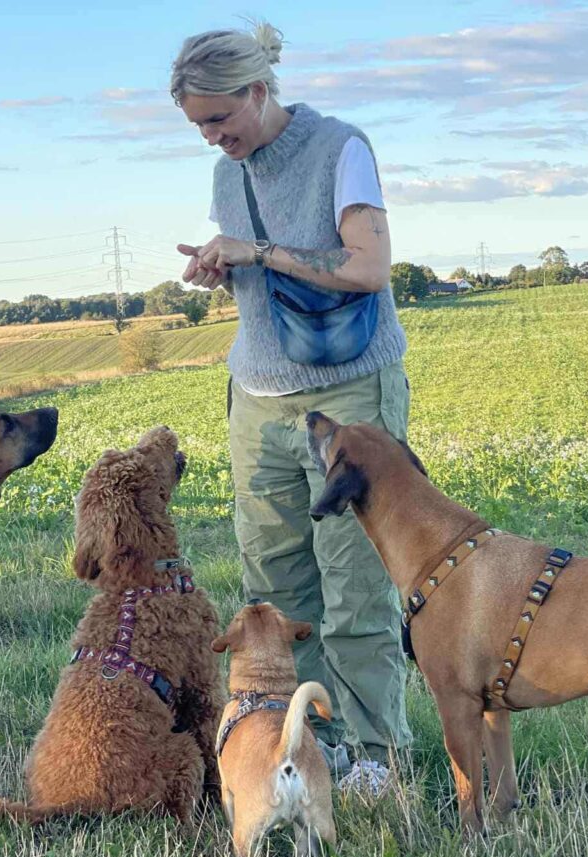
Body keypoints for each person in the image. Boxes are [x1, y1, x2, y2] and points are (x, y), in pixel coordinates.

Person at [170, 22, 411, 795]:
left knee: (356, 584)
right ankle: (316, 744)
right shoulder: (227, 175)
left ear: (257, 90)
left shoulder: (342, 148)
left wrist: (259, 252)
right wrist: (220, 267)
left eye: (219, 118)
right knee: (276, 596)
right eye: (199, 125)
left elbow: (369, 266)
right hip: (259, 398)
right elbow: (254, 277)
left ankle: (377, 753)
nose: (213, 137)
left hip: (348, 392)